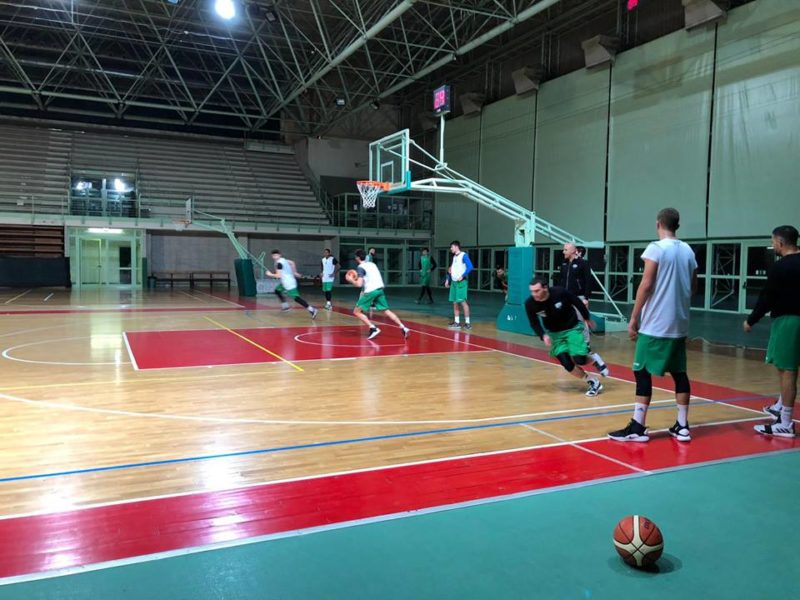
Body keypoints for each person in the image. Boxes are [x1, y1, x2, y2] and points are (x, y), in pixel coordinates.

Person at [608, 208, 697, 443]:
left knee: (641, 370)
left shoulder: (656, 249)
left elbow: (646, 285)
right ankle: (683, 426)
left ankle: (637, 427)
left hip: (656, 323)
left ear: (658, 224)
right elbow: (693, 287)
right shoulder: (688, 250)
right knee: (679, 373)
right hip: (680, 323)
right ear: (677, 225)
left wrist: (634, 317)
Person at [744, 225, 800, 438]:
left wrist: (751, 320)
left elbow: (767, 297)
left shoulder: (781, 267)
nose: (773, 245)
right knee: (788, 367)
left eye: (773, 241)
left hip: (788, 321)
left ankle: (785, 422)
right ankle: (780, 405)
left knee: (788, 371)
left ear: (781, 242)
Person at [525, 278, 603, 397]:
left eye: (537, 291)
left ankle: (594, 359)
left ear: (545, 288)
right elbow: (534, 323)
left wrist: (586, 317)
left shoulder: (559, 292)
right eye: (532, 291)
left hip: (572, 327)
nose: (534, 294)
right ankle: (593, 382)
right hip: (555, 334)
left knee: (579, 359)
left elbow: (576, 301)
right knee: (567, 363)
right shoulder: (530, 303)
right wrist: (543, 335)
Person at [559, 243, 610, 377]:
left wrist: (586, 298)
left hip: (579, 297)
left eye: (565, 249)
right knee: (567, 322)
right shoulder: (564, 265)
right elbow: (562, 281)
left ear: (573, 251)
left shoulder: (583, 263)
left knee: (581, 322)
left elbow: (588, 281)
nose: (563, 251)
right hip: (566, 298)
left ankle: (586, 346)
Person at [347, 249, 410, 341]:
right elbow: (368, 279)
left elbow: (359, 284)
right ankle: (403, 327)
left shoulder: (361, 267)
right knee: (386, 311)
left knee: (356, 312)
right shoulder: (372, 264)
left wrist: (351, 280)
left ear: (357, 258)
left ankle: (373, 328)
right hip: (380, 289)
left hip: (371, 291)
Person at [266, 250, 318, 319]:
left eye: (276, 255)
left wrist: (270, 274)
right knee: (277, 291)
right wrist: (295, 272)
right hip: (284, 282)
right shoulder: (283, 260)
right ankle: (285, 306)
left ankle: (312, 309)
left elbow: (278, 276)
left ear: (279, 255)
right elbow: (292, 262)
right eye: (273, 255)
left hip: (289, 283)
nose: (275, 257)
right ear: (272, 256)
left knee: (296, 298)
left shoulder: (279, 264)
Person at [445, 240, 473, 330]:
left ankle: (468, 323)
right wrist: (447, 280)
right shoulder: (454, 257)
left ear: (456, 247)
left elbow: (470, 266)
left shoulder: (463, 255)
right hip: (454, 283)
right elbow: (450, 269)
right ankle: (457, 322)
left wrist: (463, 275)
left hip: (461, 283)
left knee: (463, 302)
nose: (451, 249)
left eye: (452, 247)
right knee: (455, 302)